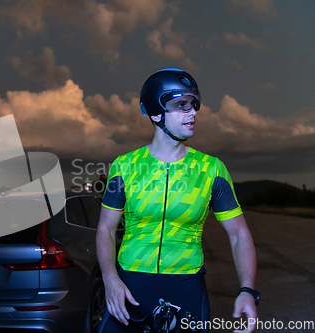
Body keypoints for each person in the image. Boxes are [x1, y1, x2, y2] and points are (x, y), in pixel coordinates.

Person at [96, 68, 258, 333]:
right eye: (181, 105)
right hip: (129, 287)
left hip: (186, 288)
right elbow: (105, 228)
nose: (193, 112)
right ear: (156, 112)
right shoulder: (124, 167)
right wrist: (110, 278)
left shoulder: (211, 169)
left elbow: (239, 233)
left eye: (193, 104)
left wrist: (248, 290)